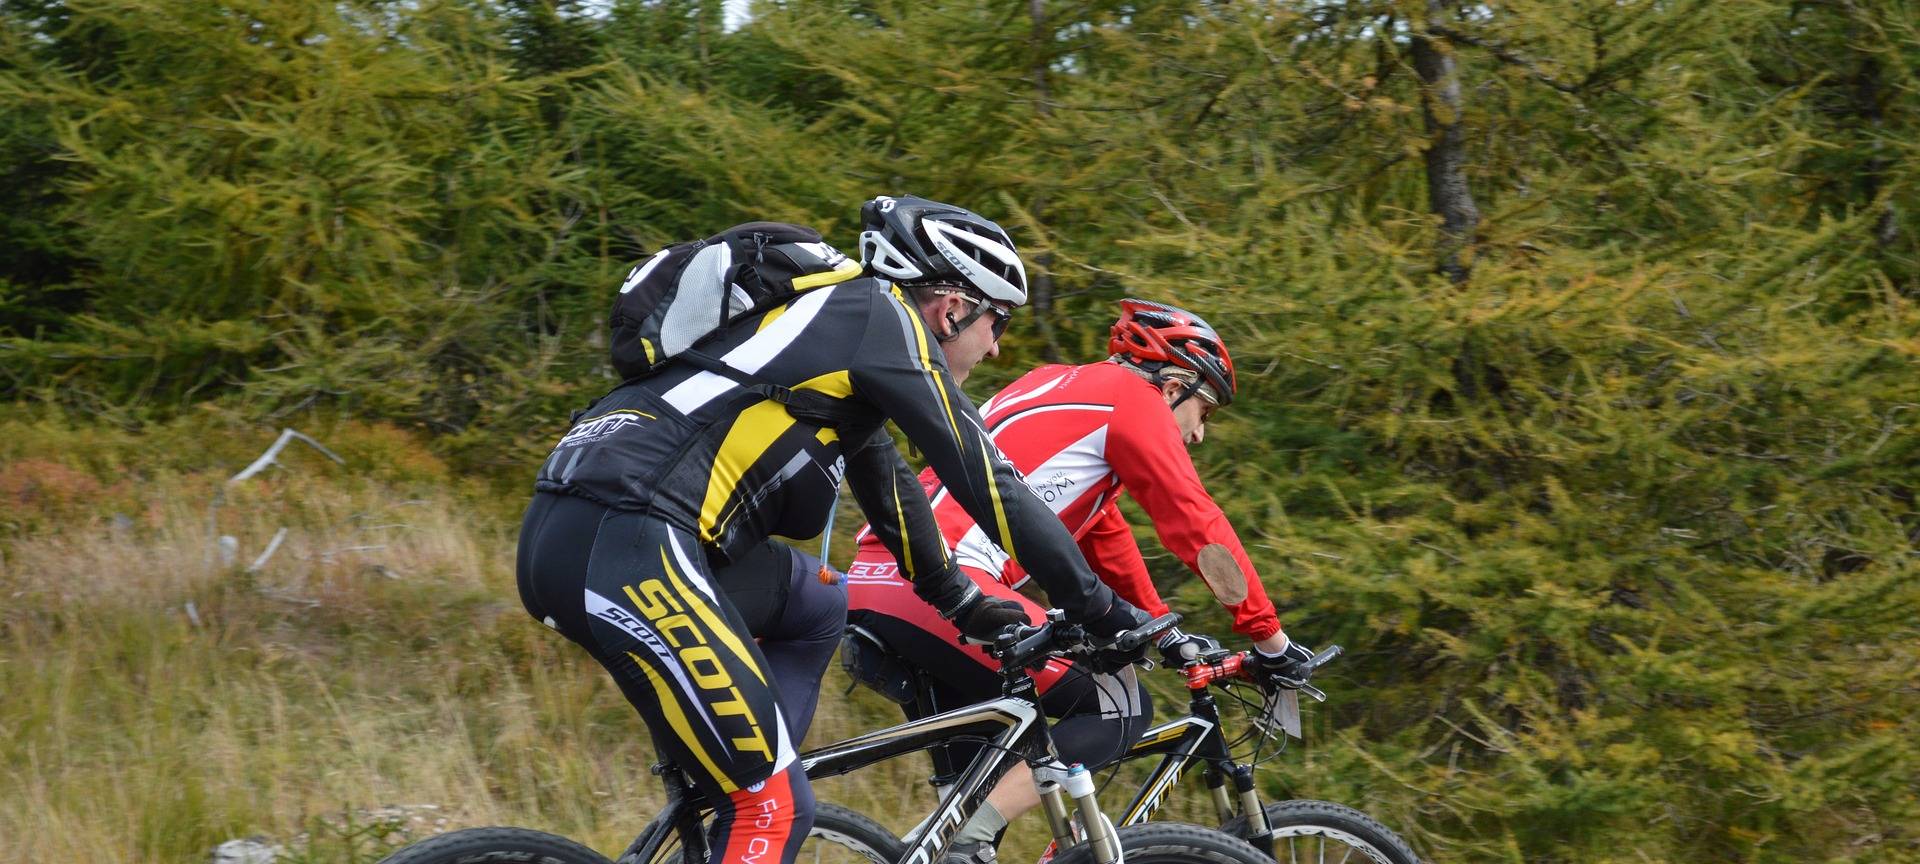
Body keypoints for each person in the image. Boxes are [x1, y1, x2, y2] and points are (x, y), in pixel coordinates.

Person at [516, 196, 1147, 864]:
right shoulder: (879, 315)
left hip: (584, 530)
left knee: (818, 601)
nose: (997, 347)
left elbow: (889, 482)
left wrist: (960, 600)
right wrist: (1099, 607)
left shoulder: (831, 330)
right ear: (952, 307)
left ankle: (739, 788)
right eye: (998, 321)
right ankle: (757, 800)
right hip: (631, 542)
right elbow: (987, 481)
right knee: (772, 804)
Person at [844, 298, 1319, 864]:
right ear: (1174, 386)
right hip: (945, 585)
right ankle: (972, 836)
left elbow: (1104, 545)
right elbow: (1198, 528)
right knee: (1118, 701)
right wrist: (1271, 640)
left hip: (878, 577)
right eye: (1205, 411)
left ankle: (957, 844)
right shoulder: (1133, 401)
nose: (1198, 436)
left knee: (978, 801)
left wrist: (1159, 629)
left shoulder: (1052, 386)